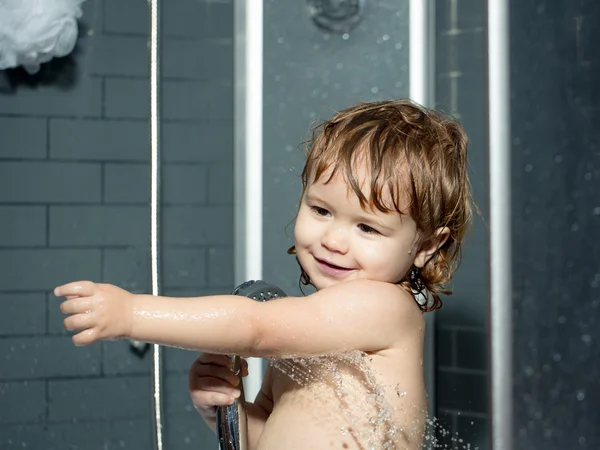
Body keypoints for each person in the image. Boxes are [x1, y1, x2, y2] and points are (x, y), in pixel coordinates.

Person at [55, 99, 473, 449]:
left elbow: (256, 327)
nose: (334, 240)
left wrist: (132, 314)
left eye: (366, 227)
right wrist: (225, 412)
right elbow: (266, 440)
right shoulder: (307, 340)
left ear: (424, 247)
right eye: (321, 210)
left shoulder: (384, 307)